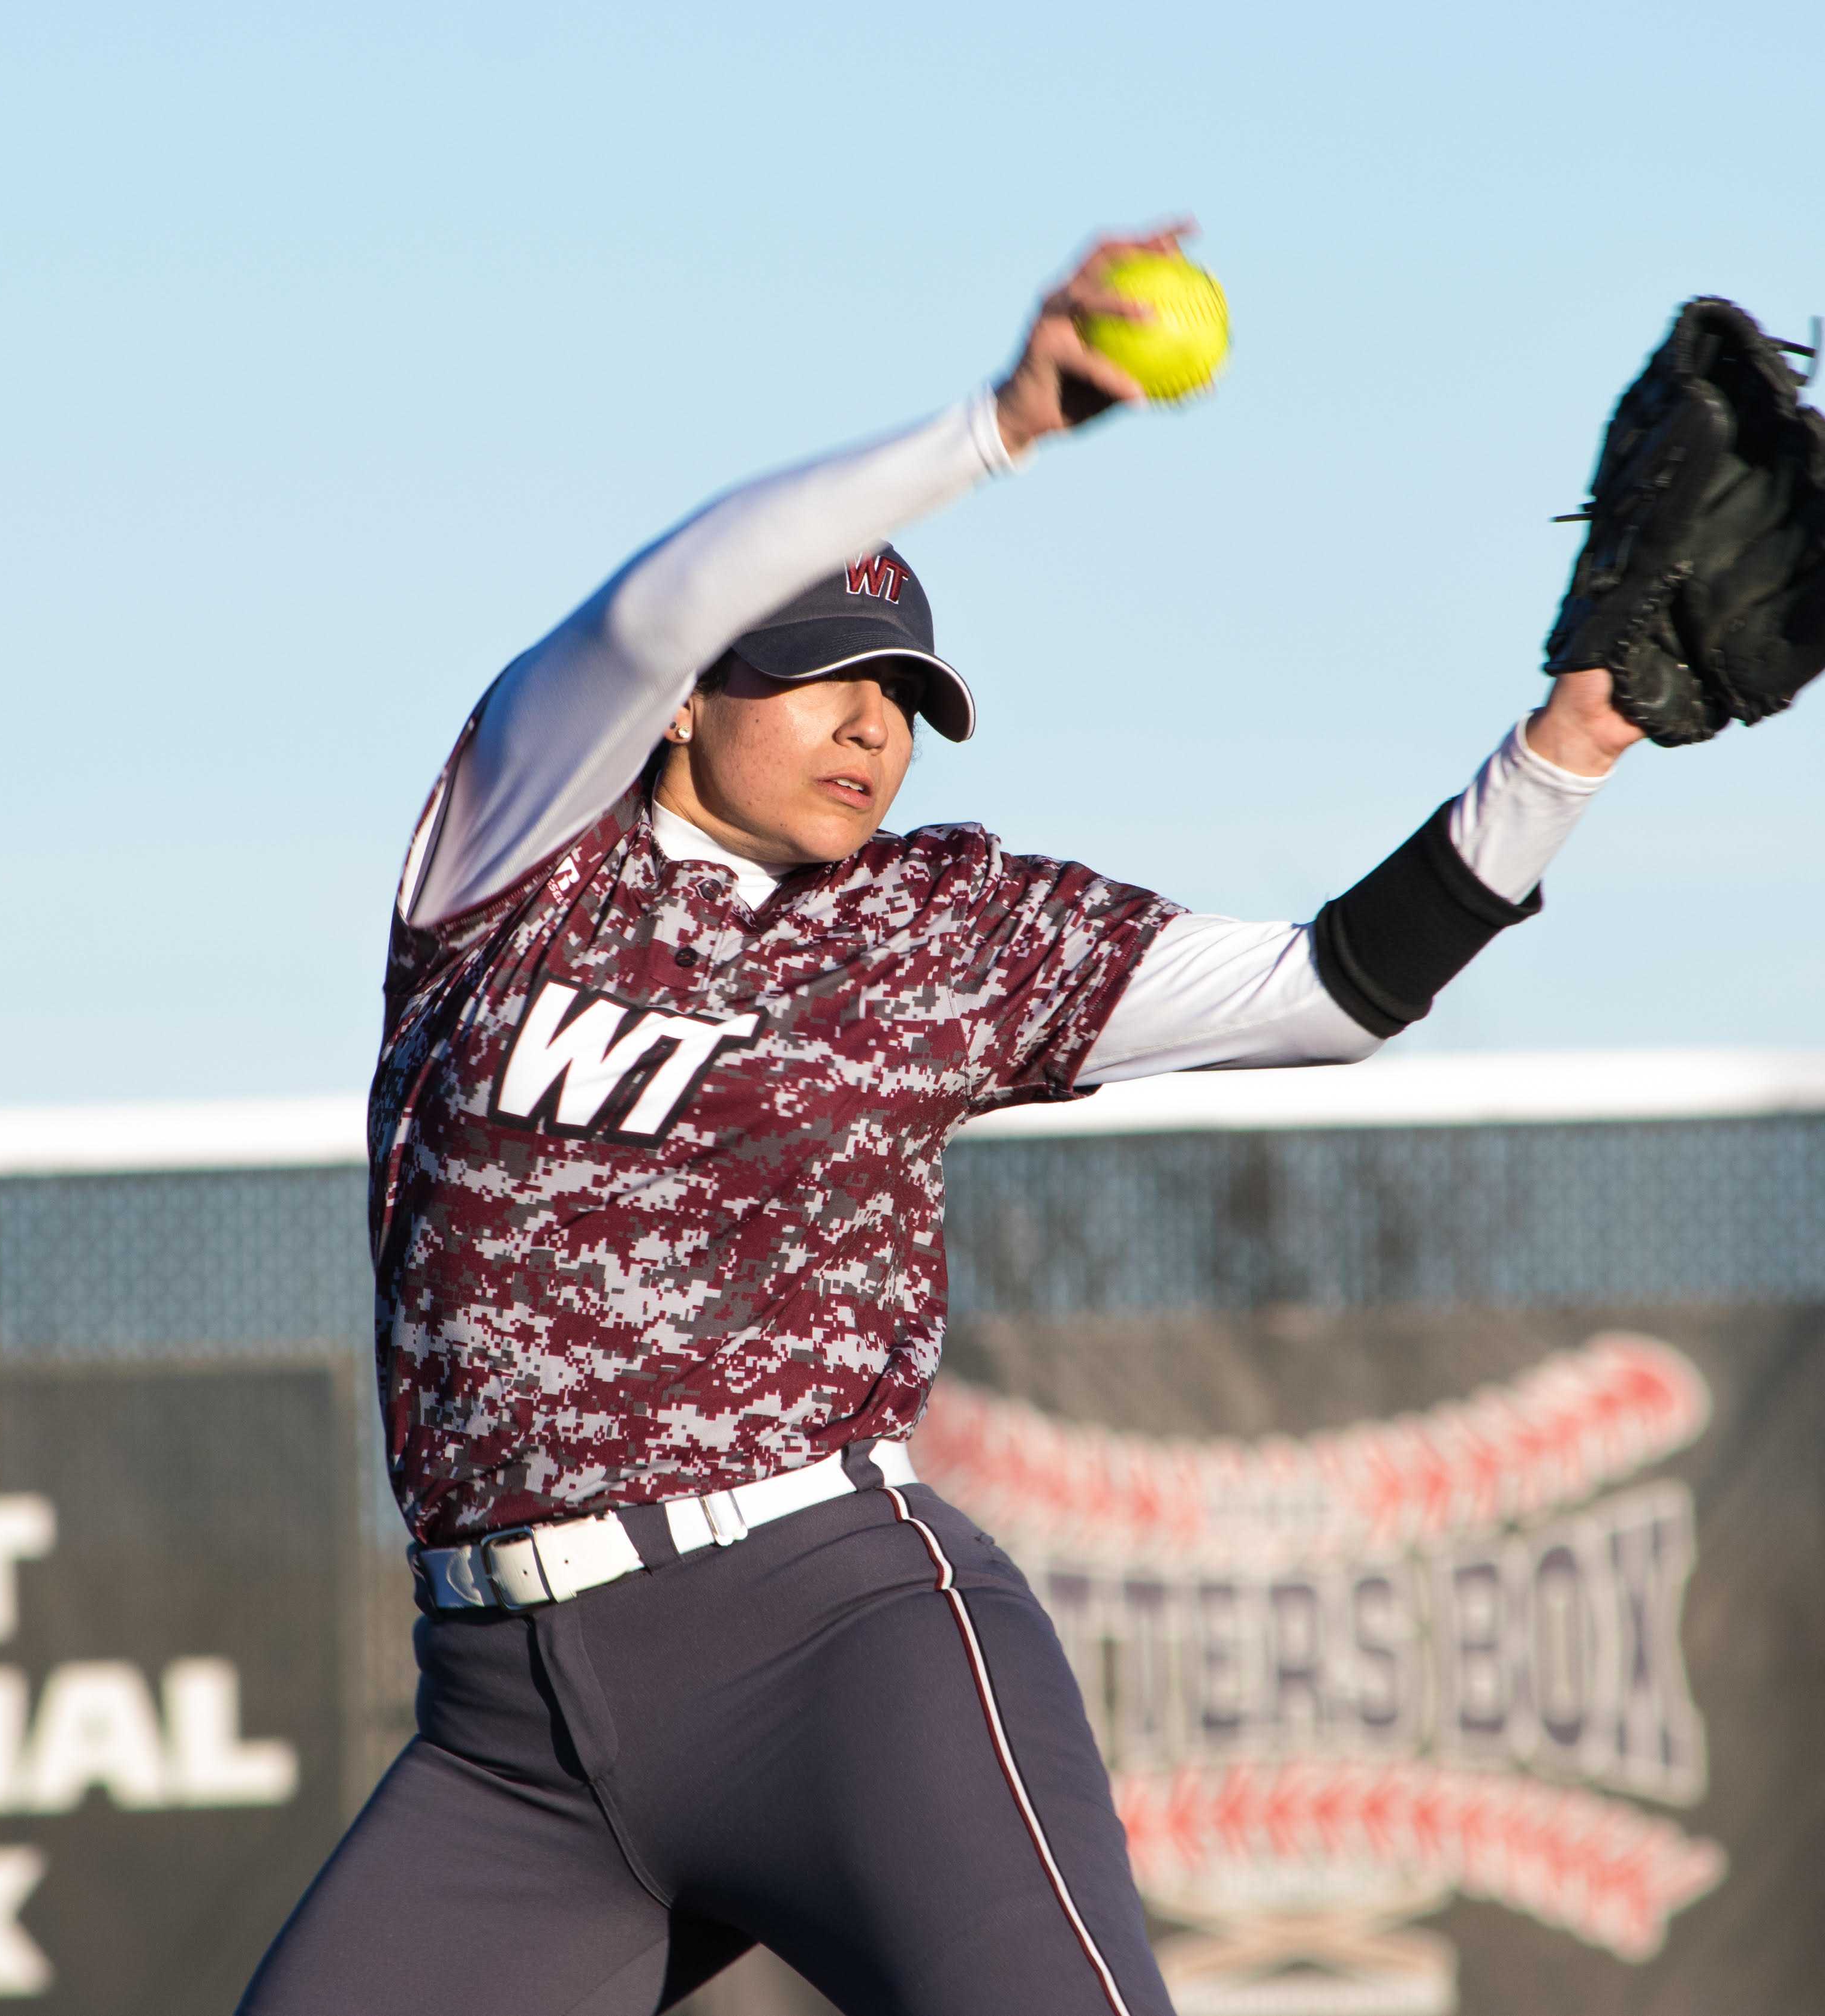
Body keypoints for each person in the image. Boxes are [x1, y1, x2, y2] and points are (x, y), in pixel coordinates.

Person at [240, 225, 1638, 2016]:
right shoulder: (514, 866)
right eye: (822, 669)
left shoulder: (943, 931)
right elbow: (653, 601)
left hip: (828, 1648)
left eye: (904, 695)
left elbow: (1332, 989)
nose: (870, 725)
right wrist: (993, 428)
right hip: (508, 1731)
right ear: (682, 706)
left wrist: (1564, 753)